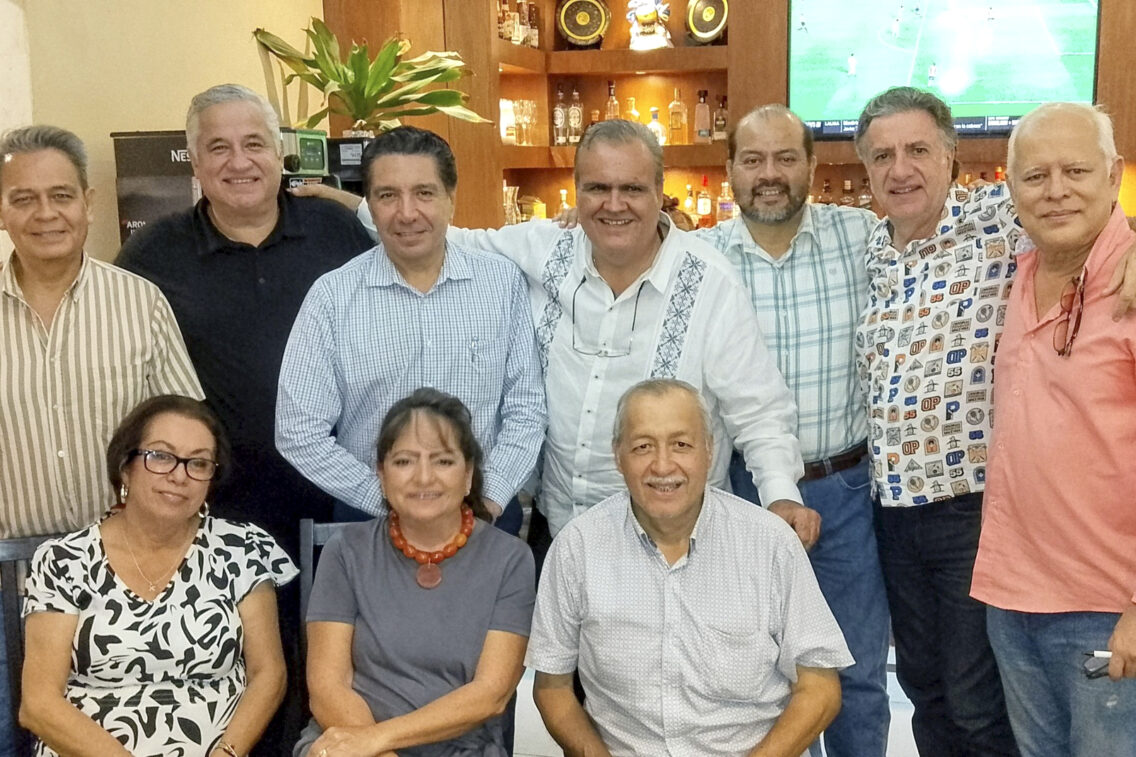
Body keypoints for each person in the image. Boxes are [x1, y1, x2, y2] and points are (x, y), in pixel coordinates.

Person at [116, 83, 373, 754]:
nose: (238, 162)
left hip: (340, 500)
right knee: (240, 682)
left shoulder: (337, 231)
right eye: (218, 148)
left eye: (254, 143)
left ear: (280, 152)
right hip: (216, 514)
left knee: (338, 675)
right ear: (194, 162)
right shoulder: (153, 256)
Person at [0, 125, 202, 755]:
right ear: (1, 210)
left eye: (61, 195)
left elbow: (186, 436)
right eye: (24, 198)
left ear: (87, 202)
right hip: (5, 570)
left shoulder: (141, 303)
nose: (46, 214)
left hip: (123, 572)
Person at [696, 104, 889, 756]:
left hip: (843, 490)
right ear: (730, 170)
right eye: (753, 160)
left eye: (785, 158)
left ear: (811, 164)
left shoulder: (863, 237)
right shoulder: (698, 258)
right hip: (738, 493)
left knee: (854, 670)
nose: (769, 175)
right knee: (755, 678)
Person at [526, 379, 852, 756]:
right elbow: (552, 688)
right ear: (617, 456)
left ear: (709, 451)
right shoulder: (577, 547)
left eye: (681, 445)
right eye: (643, 446)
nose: (663, 465)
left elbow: (820, 687)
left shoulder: (770, 544)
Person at [854, 86, 1022, 754]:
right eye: (883, 156)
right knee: (924, 687)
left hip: (971, 510)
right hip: (891, 514)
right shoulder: (871, 248)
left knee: (977, 702)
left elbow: (1084, 211)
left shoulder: (999, 219)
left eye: (917, 150)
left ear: (951, 156)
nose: (900, 170)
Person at [275, 126, 545, 530]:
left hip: (484, 517)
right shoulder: (332, 297)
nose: (407, 213)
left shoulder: (502, 284)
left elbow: (527, 407)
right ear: (369, 204)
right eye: (388, 195)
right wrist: (387, 499)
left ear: (451, 199)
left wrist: (489, 496)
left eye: (424, 193)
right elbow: (298, 431)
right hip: (371, 520)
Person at [970, 102, 1136, 755]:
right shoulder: (1018, 273)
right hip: (1012, 601)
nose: (1056, 190)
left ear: (1113, 174)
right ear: (1011, 187)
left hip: (1107, 606)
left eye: (1076, 171)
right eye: (1036, 176)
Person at [20, 394, 296, 757]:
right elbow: (38, 703)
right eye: (161, 456)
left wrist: (227, 753)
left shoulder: (241, 549)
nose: (179, 475)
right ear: (125, 466)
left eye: (198, 463)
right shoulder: (63, 560)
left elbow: (270, 675)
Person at [295, 388, 535, 756]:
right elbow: (328, 687)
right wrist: (376, 751)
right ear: (381, 474)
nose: (423, 478)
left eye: (443, 461)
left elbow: (491, 694)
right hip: (349, 740)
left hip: (456, 749)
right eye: (404, 461)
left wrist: (379, 740)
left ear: (468, 474)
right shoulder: (345, 551)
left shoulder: (511, 559)